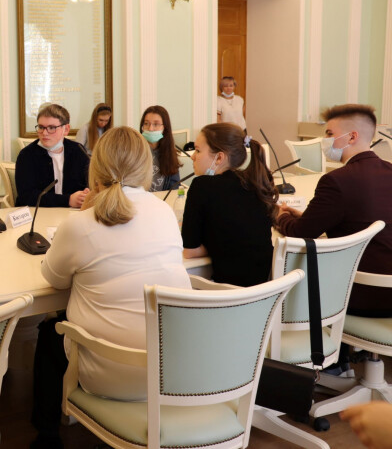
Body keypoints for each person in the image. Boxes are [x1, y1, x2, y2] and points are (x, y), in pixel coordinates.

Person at [30, 127, 191, 449]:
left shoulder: (80, 223)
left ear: (96, 167)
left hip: (109, 372)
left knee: (49, 331)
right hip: (170, 367)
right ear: (145, 166)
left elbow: (54, 279)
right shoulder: (164, 211)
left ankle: (46, 437)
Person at [276, 104, 392, 317]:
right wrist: (308, 217)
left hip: (365, 292)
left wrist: (281, 216)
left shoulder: (336, 180)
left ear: (352, 136)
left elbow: (300, 233)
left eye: (329, 134)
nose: (324, 140)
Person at [182, 123, 277, 287]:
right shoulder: (254, 182)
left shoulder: (201, 186)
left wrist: (217, 241)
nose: (192, 157)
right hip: (265, 294)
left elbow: (189, 251)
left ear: (219, 157)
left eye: (197, 150)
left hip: (229, 296)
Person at [15, 104, 90, 208]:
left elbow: (89, 184)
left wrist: (86, 194)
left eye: (51, 128)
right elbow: (26, 196)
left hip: (74, 212)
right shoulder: (26, 155)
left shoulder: (78, 151)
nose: (45, 133)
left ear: (66, 129)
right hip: (38, 213)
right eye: (41, 127)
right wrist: (67, 200)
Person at [140, 105, 181, 191]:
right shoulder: (134, 151)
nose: (150, 128)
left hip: (161, 198)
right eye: (146, 123)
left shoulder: (170, 153)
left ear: (164, 127)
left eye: (156, 124)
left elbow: (174, 187)